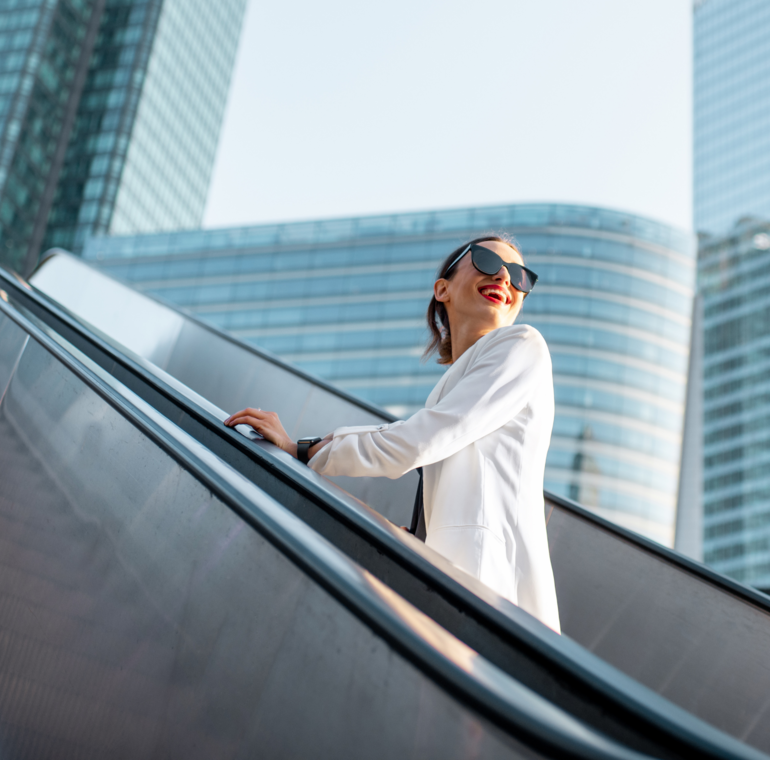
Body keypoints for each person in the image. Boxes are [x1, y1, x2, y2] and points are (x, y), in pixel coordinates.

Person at [225, 235, 560, 632]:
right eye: (487, 260)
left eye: (520, 275)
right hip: (458, 589)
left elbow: (419, 439)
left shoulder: (522, 344)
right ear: (443, 290)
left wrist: (305, 450)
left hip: (494, 594)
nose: (505, 276)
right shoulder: (451, 387)